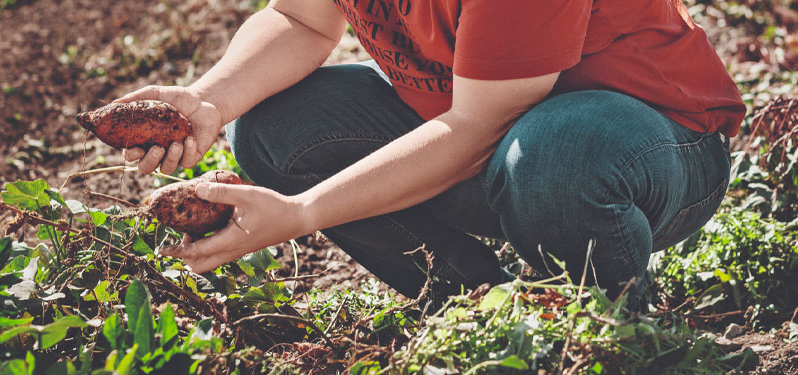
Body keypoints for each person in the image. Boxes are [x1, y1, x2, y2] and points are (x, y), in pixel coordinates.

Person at [113, 0, 745, 305]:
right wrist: (209, 101)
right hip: (501, 146)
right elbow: (302, 20)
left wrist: (304, 212)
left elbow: (478, 126)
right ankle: (483, 308)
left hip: (653, 150)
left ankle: (611, 326)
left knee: (556, 152)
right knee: (273, 127)